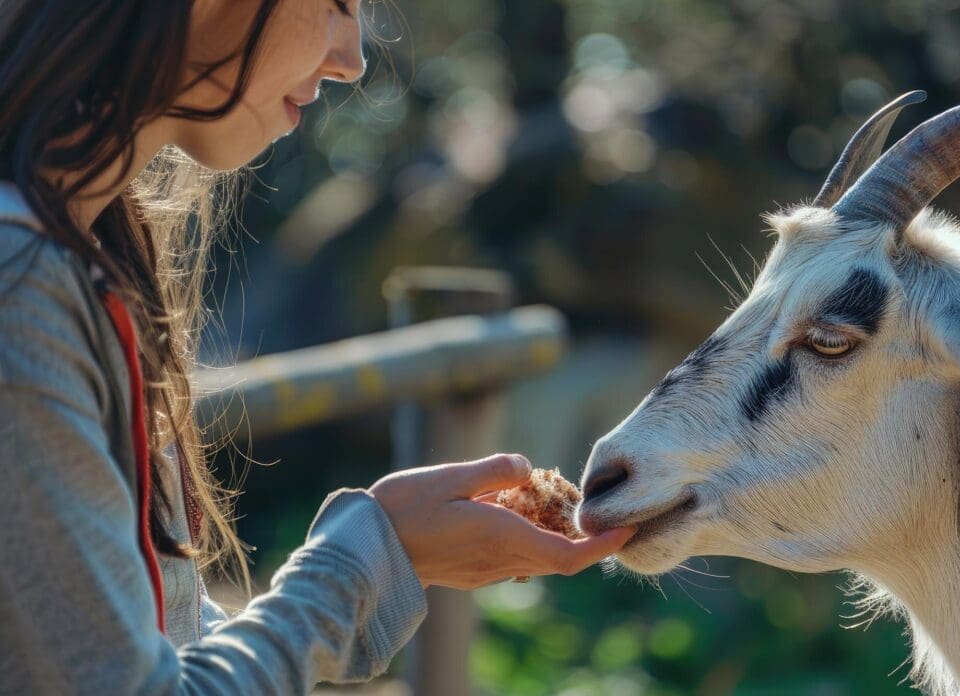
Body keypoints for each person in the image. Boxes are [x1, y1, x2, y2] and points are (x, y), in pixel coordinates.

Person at [0, 1, 634, 693]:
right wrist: (372, 555)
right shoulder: (22, 291)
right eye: (335, 3)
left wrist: (394, 560)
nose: (352, 58)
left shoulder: (76, 259)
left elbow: (159, 640)